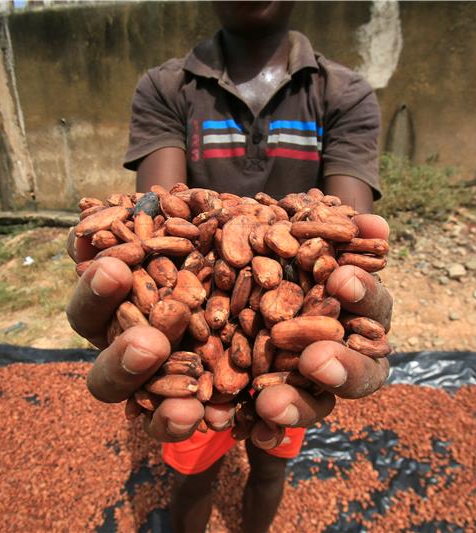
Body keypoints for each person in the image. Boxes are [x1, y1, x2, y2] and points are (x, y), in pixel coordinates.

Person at [66, 3, 393, 532]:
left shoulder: (342, 92)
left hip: (284, 351)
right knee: (193, 472)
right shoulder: (167, 87)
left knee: (270, 463)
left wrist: (362, 306)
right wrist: (125, 283)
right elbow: (160, 209)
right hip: (195, 342)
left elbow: (351, 230)